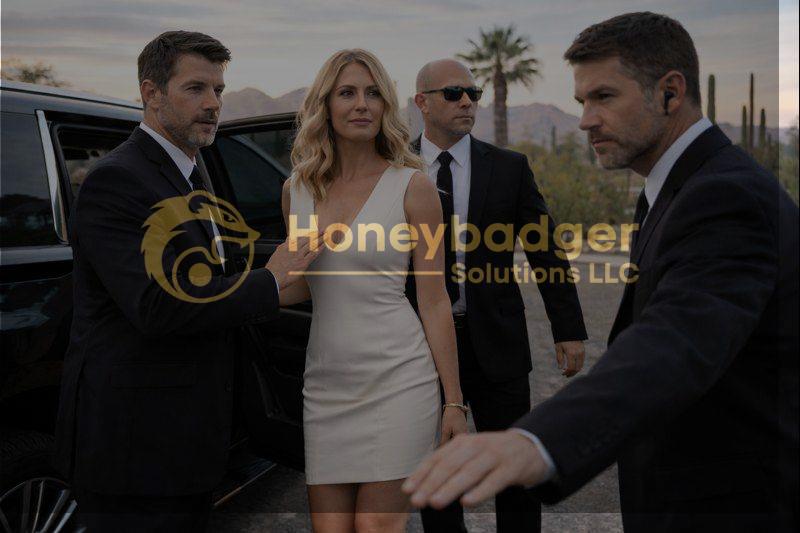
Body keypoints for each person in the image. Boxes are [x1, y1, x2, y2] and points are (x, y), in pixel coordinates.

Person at [403, 12, 799, 533]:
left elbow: (674, 343)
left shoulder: (724, 196)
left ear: (671, 93)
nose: (586, 119)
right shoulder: (677, 188)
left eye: (603, 97)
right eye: (581, 103)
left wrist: (536, 439)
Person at [55, 31, 321, 532]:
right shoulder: (118, 180)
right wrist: (270, 281)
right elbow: (159, 305)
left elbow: (205, 279)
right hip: (133, 450)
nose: (213, 104)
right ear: (151, 93)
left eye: (218, 90)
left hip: (186, 445)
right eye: (196, 88)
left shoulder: (190, 175)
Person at [278, 48, 467, 532]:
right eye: (347, 93)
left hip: (399, 382)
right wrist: (239, 289)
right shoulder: (296, 190)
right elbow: (302, 288)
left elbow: (434, 298)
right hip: (326, 386)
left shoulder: (413, 186)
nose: (361, 104)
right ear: (326, 104)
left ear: (386, 106)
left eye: (373, 93)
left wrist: (453, 401)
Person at [409, 58, 588, 533]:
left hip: (498, 341)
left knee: (512, 469)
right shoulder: (394, 169)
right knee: (439, 470)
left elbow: (545, 251)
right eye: (453, 93)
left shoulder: (509, 168)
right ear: (421, 103)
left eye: (473, 92)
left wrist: (567, 329)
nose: (467, 101)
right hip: (420, 345)